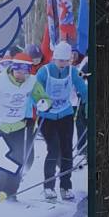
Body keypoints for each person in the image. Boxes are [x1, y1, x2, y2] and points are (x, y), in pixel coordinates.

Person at [30, 41, 88, 201]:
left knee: (67, 151)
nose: (63, 64)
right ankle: (48, 187)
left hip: (65, 114)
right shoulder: (44, 72)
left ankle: (65, 186)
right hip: (47, 117)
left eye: (66, 60)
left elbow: (83, 89)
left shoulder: (72, 72)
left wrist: (87, 103)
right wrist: (39, 102)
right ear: (54, 58)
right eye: (60, 60)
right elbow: (35, 91)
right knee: (53, 149)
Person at [0, 49, 38, 200]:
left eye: (25, 72)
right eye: (19, 72)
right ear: (13, 69)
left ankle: (11, 192)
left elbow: (40, 95)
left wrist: (44, 102)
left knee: (18, 159)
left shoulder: (32, 81)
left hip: (18, 126)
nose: (21, 76)